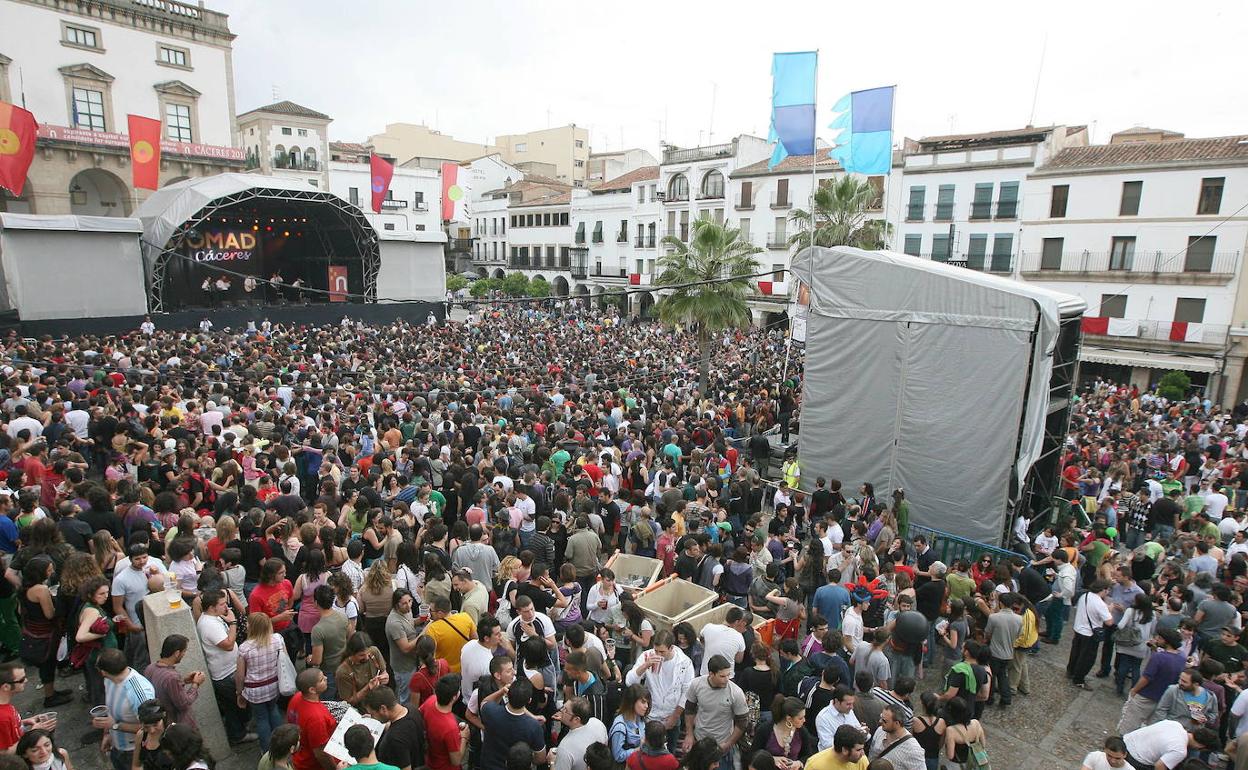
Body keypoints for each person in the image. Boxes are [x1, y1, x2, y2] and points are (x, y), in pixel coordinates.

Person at [195, 588, 252, 745]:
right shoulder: (209, 624)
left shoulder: (213, 618)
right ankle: (239, 734)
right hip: (226, 674)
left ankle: (239, 731)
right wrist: (233, 623)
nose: (226, 606)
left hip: (229, 670)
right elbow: (227, 645)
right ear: (212, 607)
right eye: (222, 604)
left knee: (232, 707)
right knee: (236, 705)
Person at [624, 629, 694, 752]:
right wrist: (645, 666)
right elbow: (629, 682)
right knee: (648, 750)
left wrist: (675, 716)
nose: (658, 654)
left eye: (662, 651)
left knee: (670, 750)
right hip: (650, 714)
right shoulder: (647, 656)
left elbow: (686, 692)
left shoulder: (685, 662)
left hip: (671, 714)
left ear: (671, 648)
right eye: (656, 650)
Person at [92, 648, 155, 770]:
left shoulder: (139, 692)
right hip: (116, 748)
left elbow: (151, 728)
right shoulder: (109, 680)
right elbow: (110, 710)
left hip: (133, 752)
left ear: (103, 671)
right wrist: (107, 733)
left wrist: (115, 725)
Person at [683, 654, 749, 770]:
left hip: (721, 746)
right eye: (722, 676)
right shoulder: (697, 684)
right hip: (700, 742)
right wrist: (689, 734)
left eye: (728, 675)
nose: (727, 679)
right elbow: (689, 709)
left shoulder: (736, 693)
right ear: (711, 674)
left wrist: (728, 744)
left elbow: (742, 722)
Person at [1118, 628, 1185, 735]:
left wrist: (1134, 690)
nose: (1157, 639)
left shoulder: (1159, 658)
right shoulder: (1181, 657)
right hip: (1163, 698)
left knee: (1129, 725)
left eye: (1159, 638)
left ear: (1166, 641)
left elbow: (1147, 677)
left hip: (1146, 695)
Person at [236, 612, 286, 753]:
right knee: (273, 709)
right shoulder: (278, 639)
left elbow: (240, 676)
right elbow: (284, 661)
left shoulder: (244, 648)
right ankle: (282, 745)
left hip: (255, 690)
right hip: (274, 684)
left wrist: (239, 692)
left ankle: (267, 751)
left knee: (261, 718)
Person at [479, 677, 546, 770]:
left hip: (487, 765)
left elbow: (485, 702)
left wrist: (501, 691)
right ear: (529, 701)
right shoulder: (533, 726)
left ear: (507, 694)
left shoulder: (491, 712)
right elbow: (540, 758)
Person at [143, 635, 204, 728]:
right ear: (177, 653)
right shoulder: (172, 677)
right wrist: (196, 684)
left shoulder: (150, 668)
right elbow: (184, 704)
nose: (184, 654)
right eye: (184, 651)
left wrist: (183, 681)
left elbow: (165, 690)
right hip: (177, 726)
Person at [362, 685, 426, 770]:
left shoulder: (394, 739)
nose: (373, 717)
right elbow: (403, 727)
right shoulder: (411, 709)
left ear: (383, 708)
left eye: (373, 714)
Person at [1067, 579, 1113, 689]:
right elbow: (1109, 622)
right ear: (1104, 590)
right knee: (1087, 658)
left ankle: (1071, 671)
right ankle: (1079, 679)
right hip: (1090, 634)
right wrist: (1110, 610)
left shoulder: (1085, 595)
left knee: (1075, 653)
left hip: (1078, 629)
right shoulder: (1100, 603)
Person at [287, 668, 337, 770]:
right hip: (312, 764)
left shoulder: (297, 697)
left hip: (299, 755)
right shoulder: (316, 718)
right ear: (312, 690)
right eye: (322, 679)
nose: (326, 678)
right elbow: (320, 753)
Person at [0, 662, 55, 753]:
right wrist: (32, 733)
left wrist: (25, 722)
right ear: (6, 686)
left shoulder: (5, 705)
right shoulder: (2, 717)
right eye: (21, 680)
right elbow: (4, 754)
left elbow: (9, 729)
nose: (26, 680)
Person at [1121, 721, 1218, 770]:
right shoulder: (1180, 750)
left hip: (1124, 742)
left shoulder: (1175, 724)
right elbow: (1159, 767)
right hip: (1135, 760)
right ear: (1201, 746)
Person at [308, 585, 348, 699]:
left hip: (328, 671)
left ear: (316, 603)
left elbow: (317, 660)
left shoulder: (318, 629)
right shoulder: (343, 616)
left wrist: (309, 658)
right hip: (343, 666)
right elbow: (349, 635)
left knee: (329, 703)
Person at [385, 590, 420, 707]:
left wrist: (421, 620)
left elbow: (409, 624)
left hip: (411, 662)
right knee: (404, 696)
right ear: (396, 605)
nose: (408, 605)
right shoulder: (394, 622)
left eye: (410, 601)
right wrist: (424, 634)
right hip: (403, 667)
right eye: (404, 603)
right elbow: (405, 648)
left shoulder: (406, 611)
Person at [553, 696, 608, 770]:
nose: (561, 710)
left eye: (565, 710)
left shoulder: (565, 747)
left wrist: (552, 762)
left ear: (576, 719)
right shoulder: (598, 723)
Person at [867, 704, 925, 770]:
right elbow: (871, 756)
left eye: (884, 721)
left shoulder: (913, 750)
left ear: (897, 723)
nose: (880, 721)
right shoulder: (880, 730)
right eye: (881, 717)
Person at [610, 684, 650, 764]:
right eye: (643, 702)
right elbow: (618, 756)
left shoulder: (641, 720)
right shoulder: (620, 726)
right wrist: (639, 749)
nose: (646, 706)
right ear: (632, 702)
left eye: (647, 703)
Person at [940, 697, 985, 770]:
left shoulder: (951, 730)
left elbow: (950, 755)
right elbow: (983, 745)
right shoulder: (976, 723)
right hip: (974, 763)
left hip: (957, 765)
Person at [816, 684, 863, 752]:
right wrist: (852, 744)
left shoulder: (849, 712)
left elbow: (858, 730)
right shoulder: (823, 717)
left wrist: (863, 734)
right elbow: (828, 745)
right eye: (848, 704)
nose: (852, 707)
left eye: (852, 704)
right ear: (837, 701)